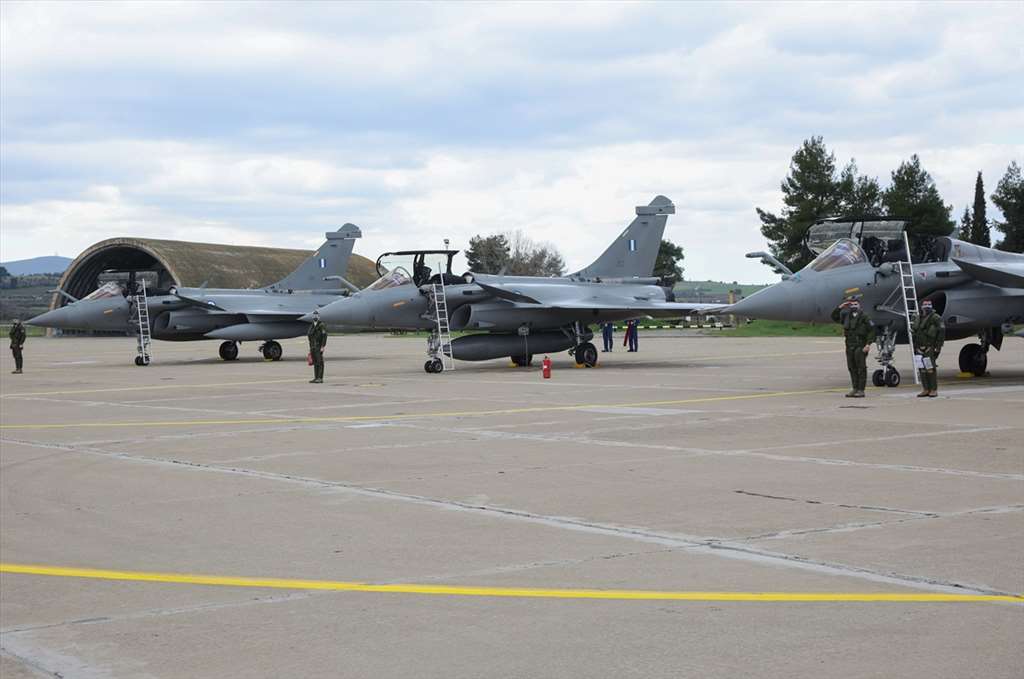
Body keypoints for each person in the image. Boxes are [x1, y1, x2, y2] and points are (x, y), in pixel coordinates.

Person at [831, 297, 875, 397]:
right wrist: (840, 307)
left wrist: (868, 344)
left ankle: (861, 390)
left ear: (859, 305)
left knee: (861, 368)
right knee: (852, 367)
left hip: (860, 345)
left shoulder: (864, 316)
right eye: (851, 304)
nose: (853, 306)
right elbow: (834, 317)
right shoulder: (846, 316)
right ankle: (855, 388)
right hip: (849, 346)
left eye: (855, 304)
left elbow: (872, 330)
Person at [911, 299, 945, 397]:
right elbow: (914, 332)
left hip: (929, 347)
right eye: (924, 306)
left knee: (930, 368)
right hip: (918, 347)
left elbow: (941, 332)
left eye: (928, 306)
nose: (926, 308)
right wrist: (915, 346)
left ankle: (933, 389)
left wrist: (938, 347)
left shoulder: (936, 318)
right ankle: (925, 389)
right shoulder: (918, 318)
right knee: (922, 369)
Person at [307, 310, 328, 383]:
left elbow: (324, 336)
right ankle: (316, 377)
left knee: (320, 362)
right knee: (315, 362)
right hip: (313, 346)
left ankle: (320, 378)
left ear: (319, 317)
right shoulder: (312, 325)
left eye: (316, 315)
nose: (315, 317)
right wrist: (310, 347)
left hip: (318, 346)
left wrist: (322, 346)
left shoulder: (321, 325)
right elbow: (309, 336)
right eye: (314, 315)